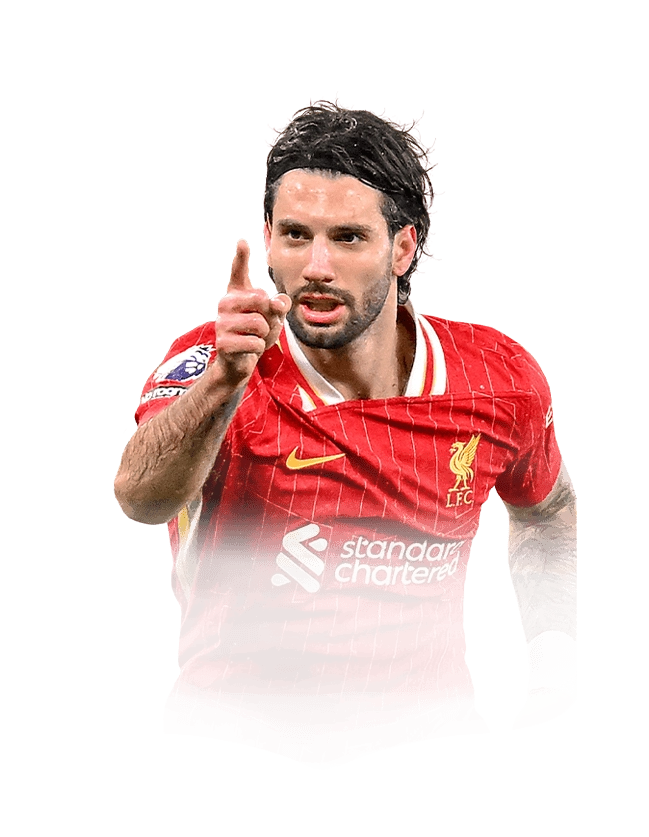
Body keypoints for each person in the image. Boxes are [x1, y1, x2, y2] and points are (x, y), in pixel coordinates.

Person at [113, 95, 578, 770]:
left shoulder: (496, 377)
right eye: (295, 235)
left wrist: (553, 666)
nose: (316, 267)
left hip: (435, 746)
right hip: (236, 749)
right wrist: (221, 384)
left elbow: (543, 512)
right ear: (267, 237)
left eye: (349, 238)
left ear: (403, 248)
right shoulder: (215, 362)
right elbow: (139, 499)